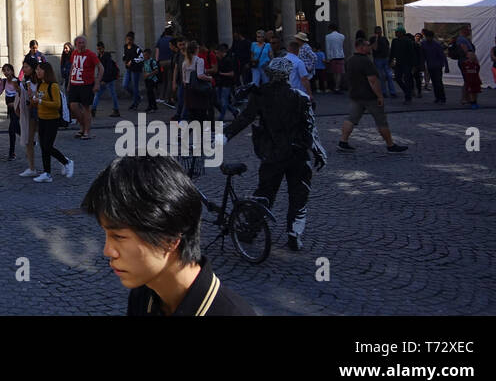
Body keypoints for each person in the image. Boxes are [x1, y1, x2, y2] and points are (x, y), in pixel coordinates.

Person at [81, 155, 255, 315]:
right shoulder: (143, 297)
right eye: (106, 234)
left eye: (118, 236)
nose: (108, 251)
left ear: (169, 238)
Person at [225, 56, 327, 251]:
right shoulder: (301, 97)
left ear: (270, 74)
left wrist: (225, 136)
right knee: (299, 195)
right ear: (288, 74)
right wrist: (319, 151)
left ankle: (251, 229)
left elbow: (245, 118)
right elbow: (310, 129)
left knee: (265, 191)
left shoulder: (262, 95)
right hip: (298, 154)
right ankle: (294, 235)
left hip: (273, 153)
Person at [338, 38, 408, 153]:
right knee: (381, 121)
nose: (369, 47)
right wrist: (380, 96)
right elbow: (373, 81)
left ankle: (343, 141)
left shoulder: (350, 60)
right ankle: (390, 145)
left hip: (355, 95)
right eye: (367, 45)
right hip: (369, 96)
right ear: (361, 47)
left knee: (351, 119)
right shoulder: (366, 61)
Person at [32, 61, 71, 183]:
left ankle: (67, 162)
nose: (37, 72)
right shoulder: (40, 85)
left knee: (48, 146)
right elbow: (38, 101)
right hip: (42, 119)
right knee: (44, 147)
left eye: (39, 69)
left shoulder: (53, 86)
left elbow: (56, 104)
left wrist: (39, 101)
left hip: (52, 120)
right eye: (36, 70)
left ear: (46, 71)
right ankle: (47, 173)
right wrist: (34, 100)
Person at [67, 35, 100, 139]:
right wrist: (69, 83)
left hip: (86, 84)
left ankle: (86, 131)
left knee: (86, 108)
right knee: (73, 106)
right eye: (79, 43)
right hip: (74, 83)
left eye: (83, 42)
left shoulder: (91, 54)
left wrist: (97, 83)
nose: (81, 45)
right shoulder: (74, 53)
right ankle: (83, 126)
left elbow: (101, 68)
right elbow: (72, 68)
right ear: (76, 44)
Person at [178, 41, 214, 124]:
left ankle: (186, 134)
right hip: (198, 90)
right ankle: (201, 134)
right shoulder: (199, 60)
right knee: (201, 114)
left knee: (193, 115)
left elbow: (184, 79)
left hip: (188, 89)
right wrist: (209, 78)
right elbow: (200, 75)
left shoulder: (185, 62)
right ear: (196, 49)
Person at [16, 61, 40, 176]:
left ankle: (64, 161)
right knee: (29, 141)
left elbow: (41, 94)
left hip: (42, 112)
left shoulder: (39, 80)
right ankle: (31, 168)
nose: (24, 69)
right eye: (23, 67)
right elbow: (22, 96)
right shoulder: (24, 81)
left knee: (46, 143)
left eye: (26, 67)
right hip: (30, 112)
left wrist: (33, 96)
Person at [0, 64, 22, 161]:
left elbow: (22, 94)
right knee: (16, 128)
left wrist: (14, 103)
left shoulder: (17, 81)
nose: (6, 72)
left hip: (17, 109)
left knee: (11, 130)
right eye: (4, 71)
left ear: (12, 71)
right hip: (10, 110)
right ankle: (29, 140)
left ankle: (12, 153)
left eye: (8, 70)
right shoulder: (4, 82)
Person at [390, 25, 420, 104]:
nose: (396, 33)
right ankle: (407, 92)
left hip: (407, 63)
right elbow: (392, 52)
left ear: (402, 33)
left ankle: (408, 97)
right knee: (397, 78)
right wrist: (390, 61)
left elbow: (412, 53)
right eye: (395, 32)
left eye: (397, 32)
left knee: (407, 80)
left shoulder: (407, 41)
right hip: (398, 63)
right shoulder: (394, 41)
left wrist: (414, 65)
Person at [92, 42, 121, 118]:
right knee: (98, 94)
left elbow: (108, 69)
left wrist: (104, 79)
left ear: (103, 48)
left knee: (112, 94)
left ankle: (116, 110)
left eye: (100, 48)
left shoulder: (107, 56)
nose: (99, 50)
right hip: (103, 79)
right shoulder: (99, 56)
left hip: (109, 79)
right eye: (98, 49)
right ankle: (93, 110)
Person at [420, 28, 449, 103]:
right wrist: (422, 65)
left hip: (437, 66)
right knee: (434, 82)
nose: (428, 38)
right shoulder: (424, 44)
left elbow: (442, 56)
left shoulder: (437, 45)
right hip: (430, 65)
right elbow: (423, 55)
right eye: (427, 37)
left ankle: (442, 97)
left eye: (430, 37)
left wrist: (446, 66)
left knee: (438, 82)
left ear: (432, 37)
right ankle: (437, 97)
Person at [370, 26, 398, 99]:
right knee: (381, 76)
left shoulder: (384, 38)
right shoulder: (372, 39)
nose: (379, 33)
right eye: (377, 32)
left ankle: (392, 92)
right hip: (378, 59)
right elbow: (374, 48)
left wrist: (391, 59)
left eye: (380, 32)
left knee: (389, 76)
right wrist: (376, 39)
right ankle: (383, 92)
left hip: (386, 58)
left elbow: (388, 48)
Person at [213, 43, 239, 121]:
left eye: (217, 53)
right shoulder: (219, 60)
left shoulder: (228, 60)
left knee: (224, 101)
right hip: (219, 82)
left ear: (221, 52)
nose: (216, 55)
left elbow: (232, 74)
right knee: (219, 100)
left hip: (226, 83)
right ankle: (234, 111)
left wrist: (221, 73)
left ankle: (222, 117)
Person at [284, 35, 313, 100]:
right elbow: (304, 79)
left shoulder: (283, 60)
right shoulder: (299, 62)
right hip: (297, 91)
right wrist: (309, 94)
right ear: (298, 50)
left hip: (285, 90)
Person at [122, 32, 144, 112]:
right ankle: (137, 97)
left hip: (136, 70)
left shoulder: (136, 48)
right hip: (128, 69)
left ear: (133, 40)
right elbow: (125, 55)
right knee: (125, 85)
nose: (129, 41)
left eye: (130, 40)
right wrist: (124, 59)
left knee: (135, 86)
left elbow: (142, 58)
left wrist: (133, 61)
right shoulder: (125, 47)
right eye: (127, 40)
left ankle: (135, 103)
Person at [324, 23, 346, 93]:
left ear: (330, 29)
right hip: (340, 56)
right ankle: (337, 87)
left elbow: (328, 48)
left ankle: (335, 86)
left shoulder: (328, 37)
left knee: (334, 73)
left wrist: (328, 58)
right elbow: (342, 46)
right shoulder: (342, 36)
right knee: (339, 73)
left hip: (332, 57)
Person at [140, 47, 160, 113]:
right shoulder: (145, 62)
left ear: (149, 55)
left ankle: (151, 106)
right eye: (143, 55)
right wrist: (144, 74)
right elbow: (144, 69)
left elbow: (156, 70)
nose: (144, 56)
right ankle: (153, 106)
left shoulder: (152, 61)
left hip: (152, 79)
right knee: (149, 93)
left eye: (145, 55)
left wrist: (148, 75)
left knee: (150, 93)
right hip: (147, 79)